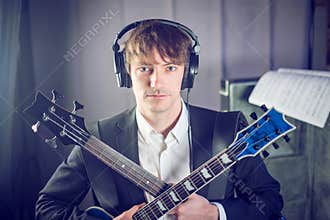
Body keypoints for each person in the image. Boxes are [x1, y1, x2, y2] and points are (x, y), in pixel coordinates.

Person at [35, 19, 283, 220]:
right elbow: (47, 207)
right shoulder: (97, 139)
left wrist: (216, 213)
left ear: (187, 74)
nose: (156, 82)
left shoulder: (227, 130)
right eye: (145, 68)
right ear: (126, 74)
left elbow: (269, 201)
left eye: (170, 68)